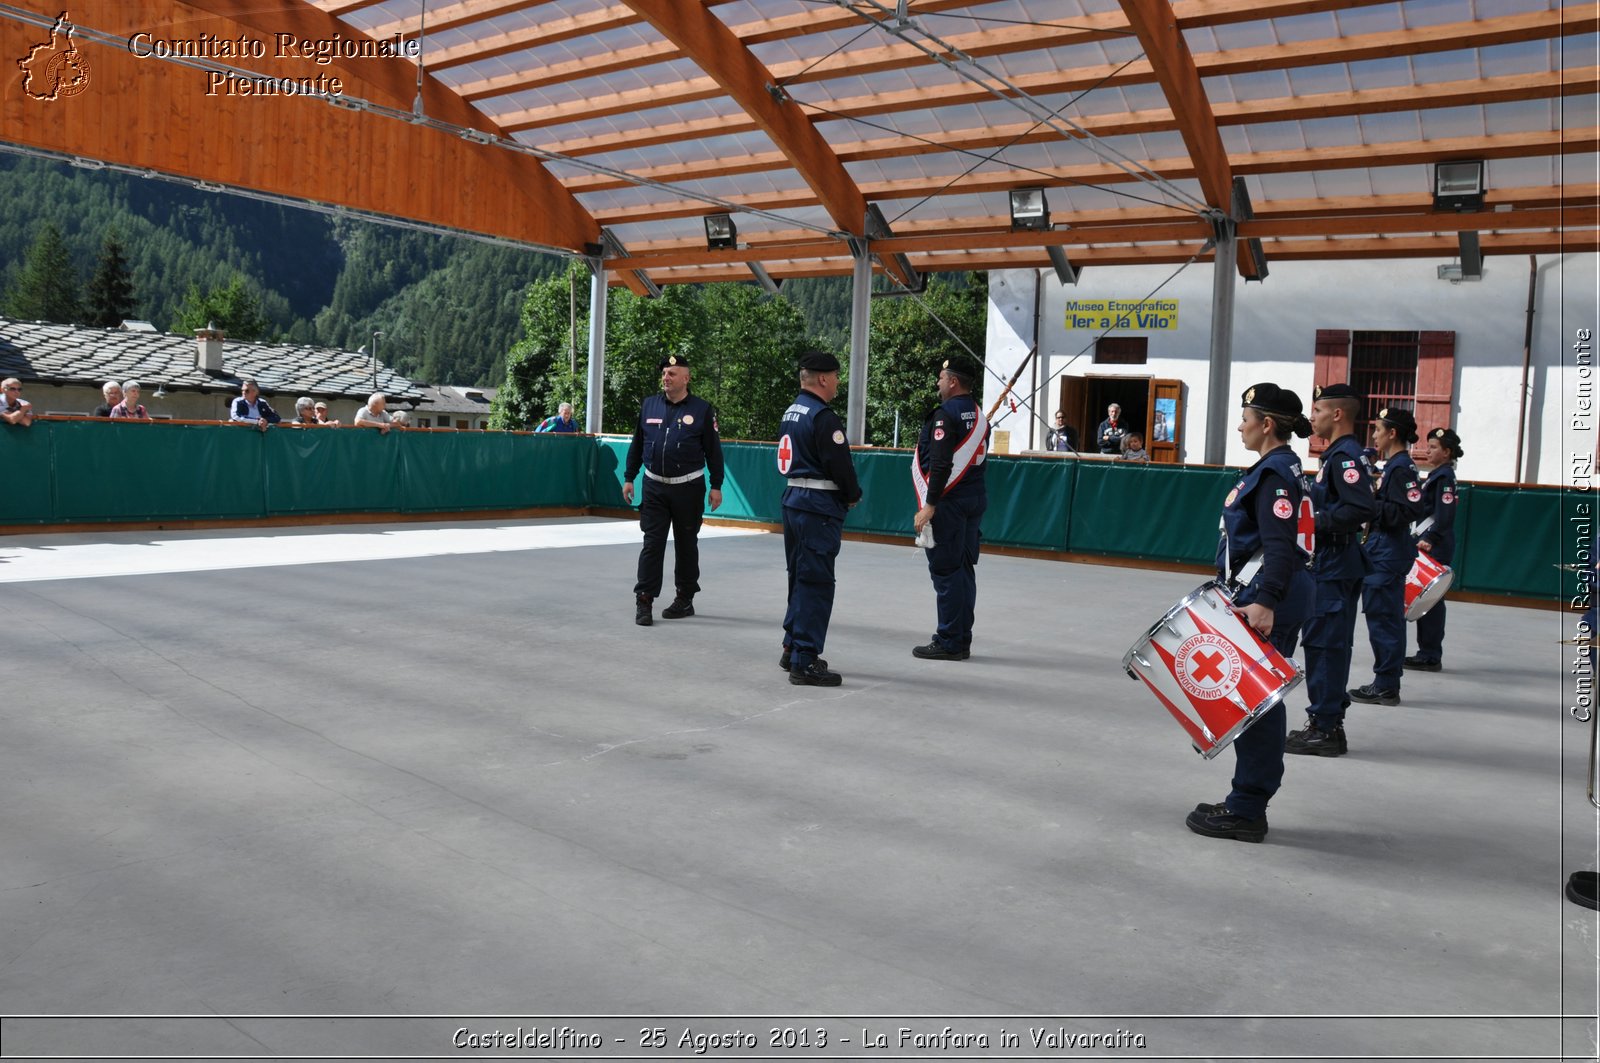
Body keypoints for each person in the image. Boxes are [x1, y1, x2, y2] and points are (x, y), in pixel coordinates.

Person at [1187, 383, 1314, 843]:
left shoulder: (1276, 472)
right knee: (1253, 700)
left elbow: (1280, 546)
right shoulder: (1277, 468)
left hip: (1269, 594)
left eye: (1245, 417)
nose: (1240, 424)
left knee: (1255, 704)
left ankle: (1247, 809)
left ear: (1267, 424)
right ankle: (1246, 801)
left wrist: (1266, 601)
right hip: (1267, 590)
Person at [1286, 383, 1378, 758]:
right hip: (1333, 562)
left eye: (1319, 411)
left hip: (1335, 563)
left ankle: (1325, 727)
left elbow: (1360, 509)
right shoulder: (1337, 456)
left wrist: (1311, 521)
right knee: (1328, 643)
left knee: (1325, 645)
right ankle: (1327, 719)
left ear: (1337, 414)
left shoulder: (1345, 458)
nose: (1314, 418)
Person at [778, 351, 862, 686]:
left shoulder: (792, 411)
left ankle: (791, 645)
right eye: (836, 377)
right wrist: (852, 494)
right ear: (823, 379)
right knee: (815, 583)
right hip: (818, 507)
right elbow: (840, 465)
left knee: (799, 577)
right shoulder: (823, 417)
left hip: (795, 500)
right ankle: (805, 660)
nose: (838, 382)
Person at [622, 354, 724, 626]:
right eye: (665, 373)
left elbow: (714, 451)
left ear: (687, 378)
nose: (666, 377)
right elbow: (637, 443)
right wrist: (629, 476)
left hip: (688, 488)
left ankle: (685, 598)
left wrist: (716, 485)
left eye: (673, 373)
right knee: (652, 544)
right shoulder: (649, 405)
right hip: (654, 486)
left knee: (687, 545)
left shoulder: (702, 410)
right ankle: (644, 599)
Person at [911, 355, 990, 660]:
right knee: (963, 570)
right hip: (974, 497)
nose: (938, 382)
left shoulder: (946, 414)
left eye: (942, 377)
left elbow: (942, 463)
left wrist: (929, 505)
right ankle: (961, 637)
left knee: (946, 572)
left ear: (953, 381)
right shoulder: (977, 413)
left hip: (950, 502)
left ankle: (950, 640)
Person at [1349, 407, 1425, 706]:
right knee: (1384, 618)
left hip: (1387, 552)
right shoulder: (1393, 465)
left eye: (1379, 430)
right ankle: (1386, 681)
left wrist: (1368, 504)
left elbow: (1408, 510)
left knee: (1385, 620)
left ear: (1392, 433)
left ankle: (1385, 684)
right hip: (1382, 549)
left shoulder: (1401, 467)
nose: (1375, 435)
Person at [1406, 427, 1464, 672]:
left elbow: (1445, 513)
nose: (1427, 451)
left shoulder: (1444, 477)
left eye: (1433, 447)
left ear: (1447, 452)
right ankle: (1426, 651)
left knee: (1432, 599)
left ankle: (1430, 654)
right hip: (1428, 541)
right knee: (1426, 598)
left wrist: (1431, 536)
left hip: (1435, 544)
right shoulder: (1437, 475)